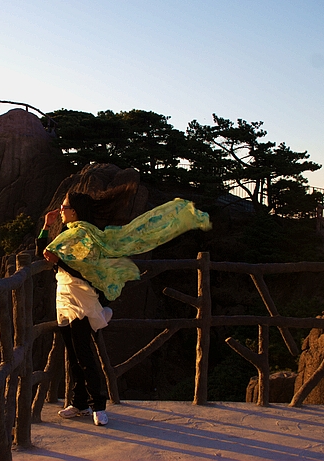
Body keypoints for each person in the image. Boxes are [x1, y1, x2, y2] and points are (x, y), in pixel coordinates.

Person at [37, 183, 212, 427]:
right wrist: (47, 225)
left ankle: (98, 405)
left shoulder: (83, 234)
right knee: (74, 355)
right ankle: (79, 403)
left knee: (84, 354)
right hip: (64, 297)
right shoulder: (69, 233)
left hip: (82, 299)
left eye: (65, 207)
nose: (61, 210)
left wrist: (58, 260)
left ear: (75, 211)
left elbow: (83, 270)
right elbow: (45, 254)